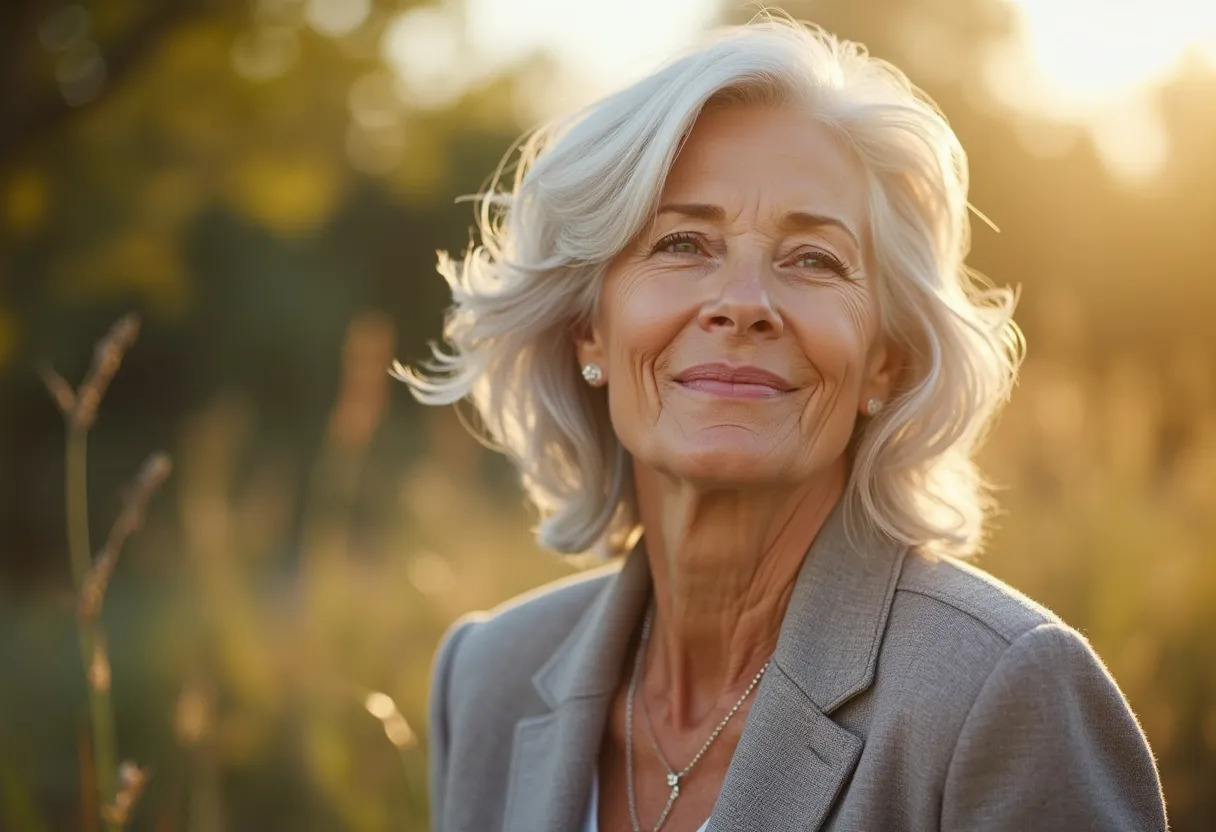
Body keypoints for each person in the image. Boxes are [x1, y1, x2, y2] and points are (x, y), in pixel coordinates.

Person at [399, 15, 1168, 832]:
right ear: (589, 328)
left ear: (885, 360)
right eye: (684, 242)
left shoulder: (1005, 692)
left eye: (813, 260)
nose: (742, 304)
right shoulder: (485, 680)